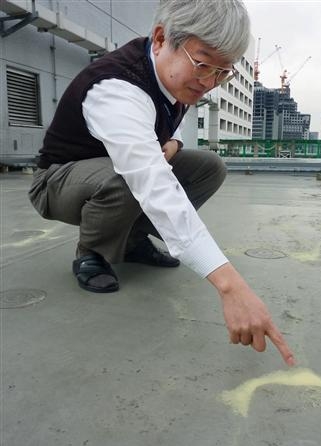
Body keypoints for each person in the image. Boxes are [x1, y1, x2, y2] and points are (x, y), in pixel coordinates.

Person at [29, 0, 295, 366]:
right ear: (160, 39)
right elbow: (151, 182)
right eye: (203, 64)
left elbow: (161, 137)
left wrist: (174, 144)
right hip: (57, 181)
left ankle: (134, 241)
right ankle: (92, 253)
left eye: (222, 73)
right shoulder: (116, 88)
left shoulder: (174, 73)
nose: (208, 83)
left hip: (111, 170)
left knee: (208, 166)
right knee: (128, 178)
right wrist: (231, 286)